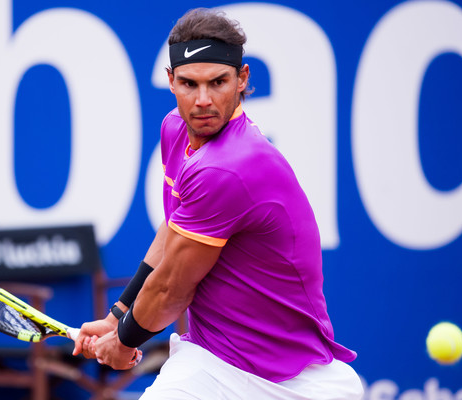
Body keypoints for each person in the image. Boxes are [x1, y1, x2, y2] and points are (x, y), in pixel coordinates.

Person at [73, 7, 364, 399]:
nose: (203, 100)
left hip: (290, 384)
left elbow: (174, 288)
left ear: (242, 79)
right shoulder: (175, 129)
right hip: (212, 365)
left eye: (218, 82)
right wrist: (117, 317)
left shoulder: (230, 167)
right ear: (170, 81)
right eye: (189, 84)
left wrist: (123, 341)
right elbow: (172, 238)